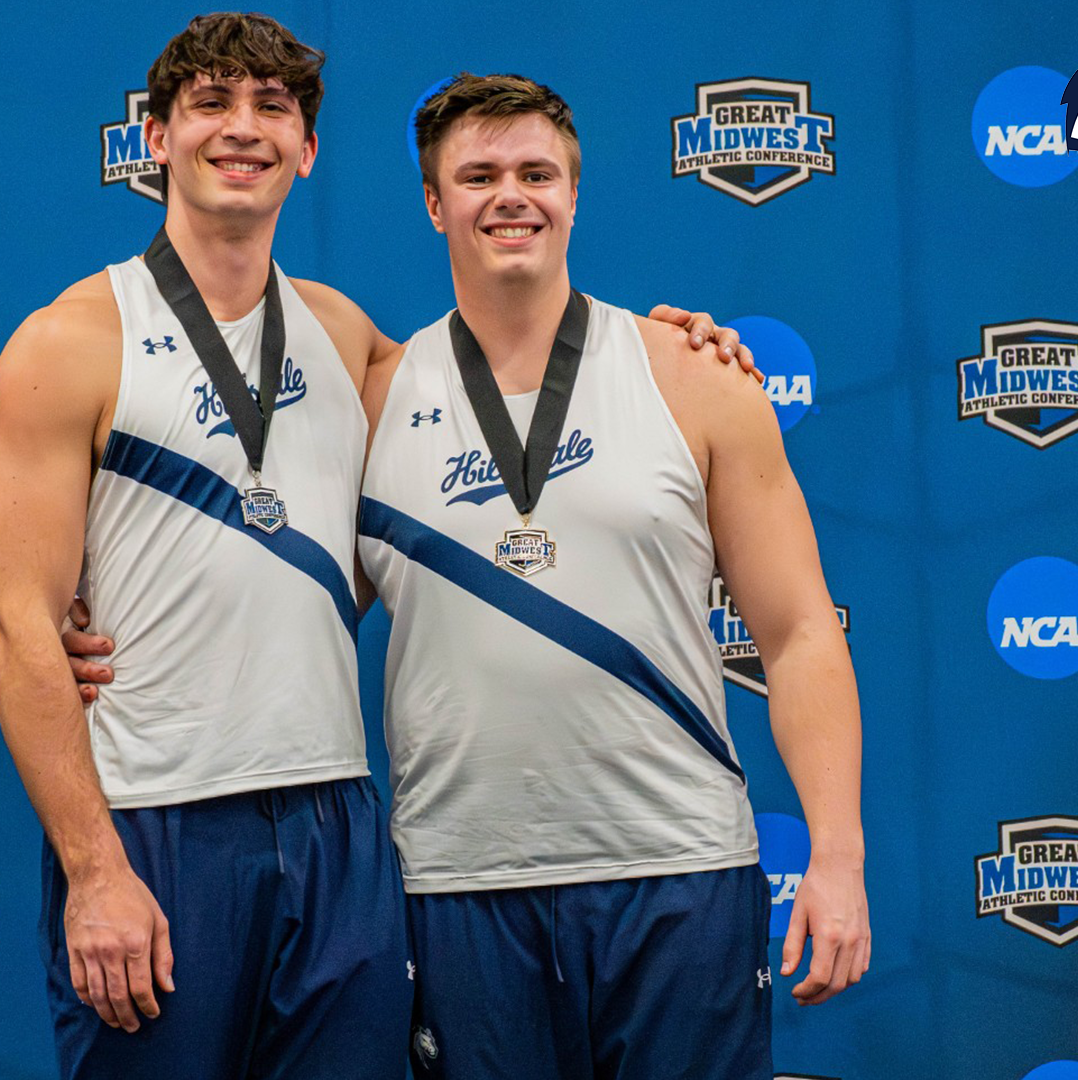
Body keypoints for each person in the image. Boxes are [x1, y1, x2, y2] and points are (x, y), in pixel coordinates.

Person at [0, 15, 756, 1078]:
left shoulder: (348, 340)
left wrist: (676, 343)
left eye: (272, 109)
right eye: (210, 104)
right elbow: (17, 621)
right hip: (157, 822)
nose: (241, 130)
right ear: (153, 136)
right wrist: (92, 867)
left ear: (306, 148)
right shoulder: (66, 343)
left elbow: (513, 364)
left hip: (339, 827)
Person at [355, 74, 869, 1078]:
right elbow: (287, 607)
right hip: (461, 886)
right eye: (479, 175)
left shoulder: (693, 375)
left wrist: (837, 857)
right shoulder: (370, 401)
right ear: (432, 203)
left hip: (676, 874)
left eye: (537, 172)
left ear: (574, 195)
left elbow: (801, 631)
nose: (512, 195)